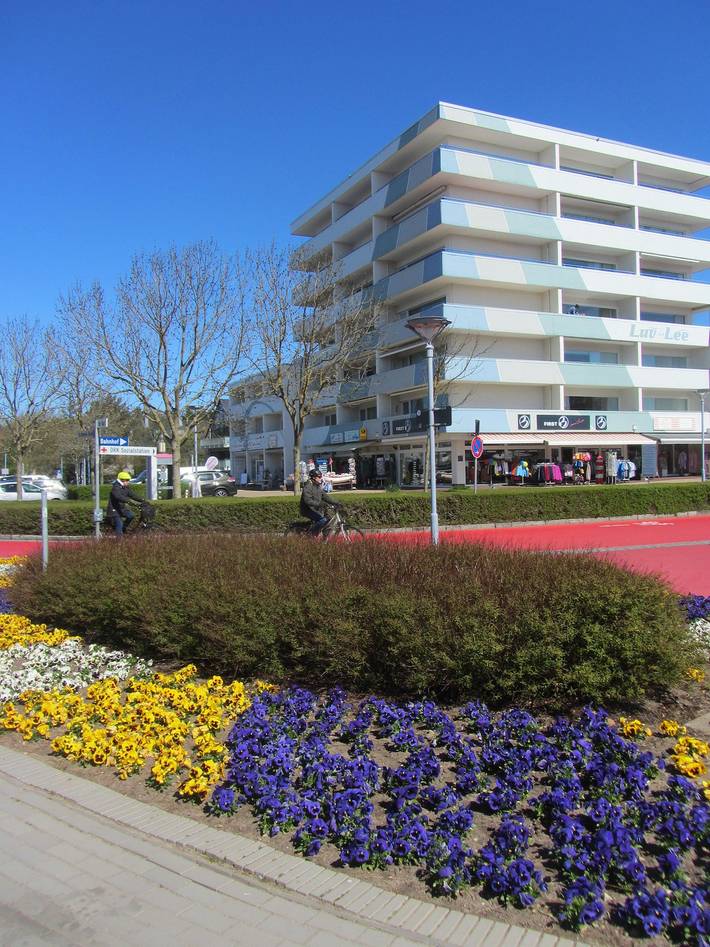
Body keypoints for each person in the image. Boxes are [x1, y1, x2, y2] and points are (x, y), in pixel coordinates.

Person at [300, 467, 338, 536]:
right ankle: (311, 534)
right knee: (322, 520)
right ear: (314, 478)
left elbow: (325, 496)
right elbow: (307, 500)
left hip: (316, 508)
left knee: (328, 519)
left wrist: (336, 502)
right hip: (308, 509)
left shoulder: (317, 486)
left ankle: (325, 536)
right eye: (319, 477)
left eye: (321, 476)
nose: (321, 478)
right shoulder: (308, 486)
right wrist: (319, 504)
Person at [106, 471, 143, 537]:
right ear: (122, 480)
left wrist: (143, 500)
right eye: (127, 480)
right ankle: (119, 541)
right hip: (114, 510)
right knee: (119, 523)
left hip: (121, 508)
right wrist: (129, 501)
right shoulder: (115, 487)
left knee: (131, 515)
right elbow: (118, 496)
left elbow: (132, 494)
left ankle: (124, 528)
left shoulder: (125, 487)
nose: (128, 482)